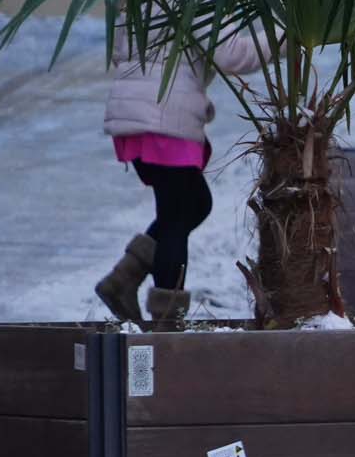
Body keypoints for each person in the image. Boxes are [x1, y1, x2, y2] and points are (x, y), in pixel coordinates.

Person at [93, 28, 265, 328]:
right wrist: (285, 33)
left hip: (135, 111)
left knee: (195, 203)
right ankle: (167, 320)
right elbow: (232, 55)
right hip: (164, 116)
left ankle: (124, 277)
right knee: (176, 214)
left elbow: (120, 46)